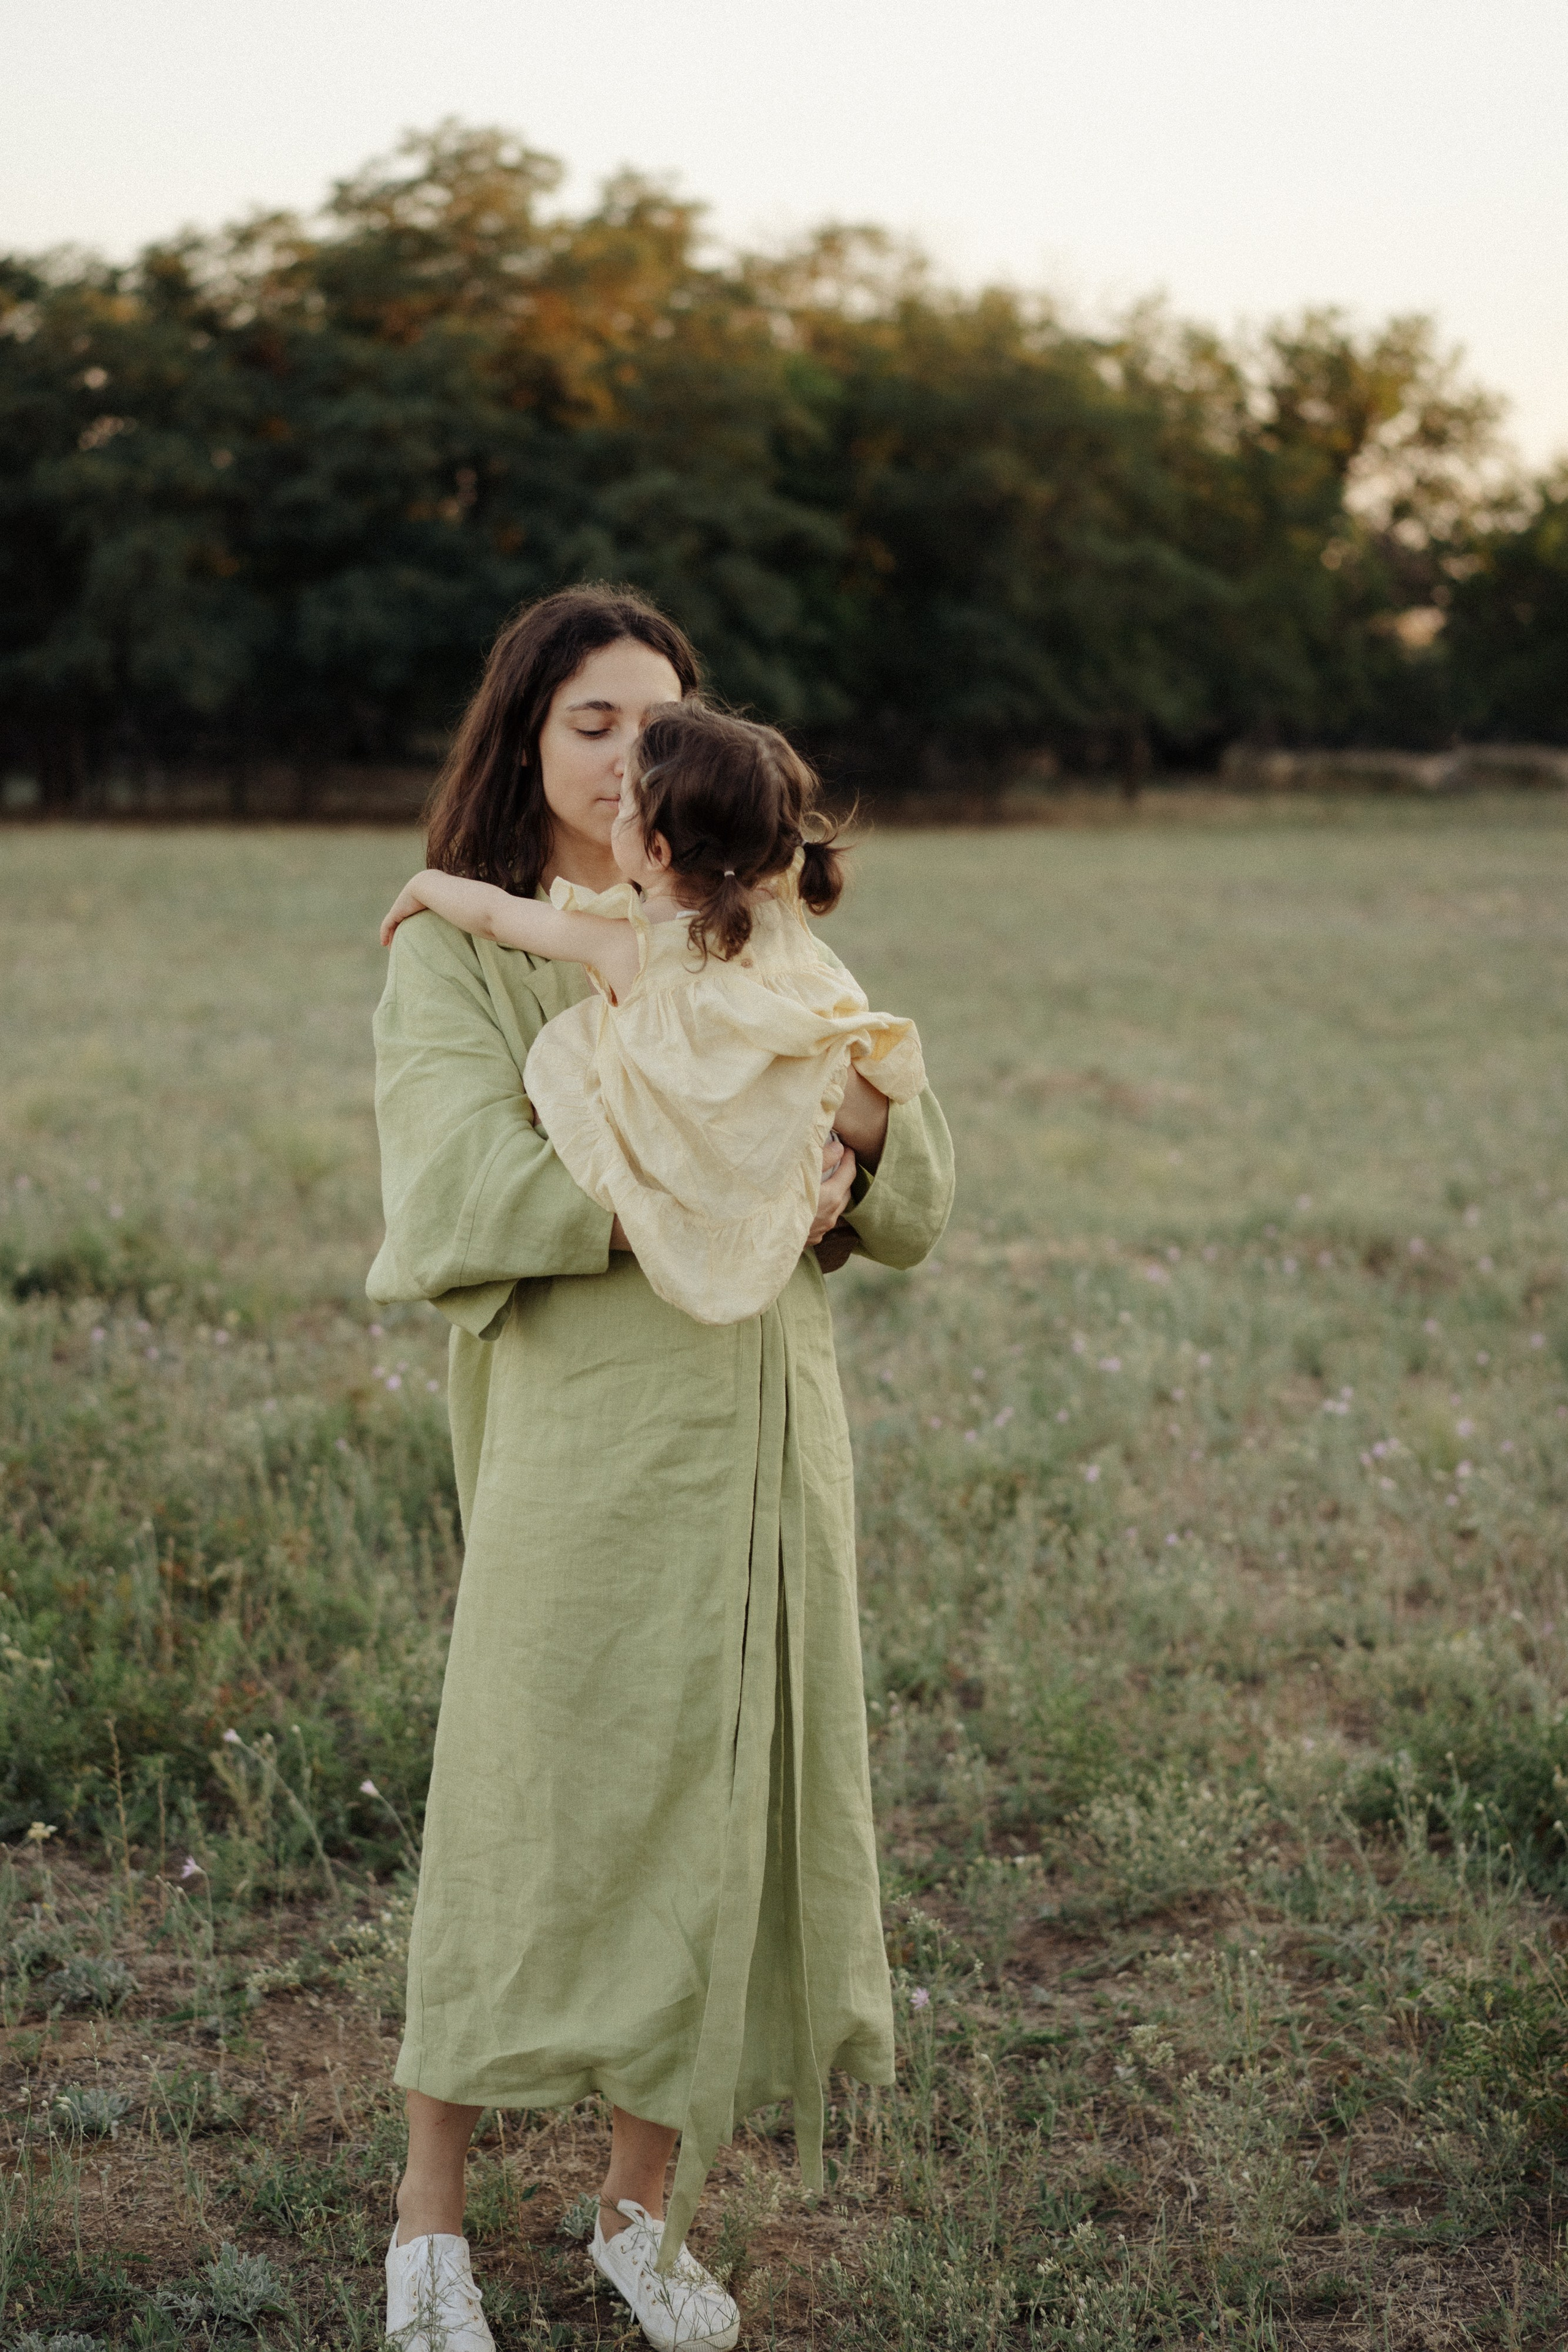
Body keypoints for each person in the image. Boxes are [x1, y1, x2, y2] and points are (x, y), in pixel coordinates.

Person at [371, 584, 954, 2352]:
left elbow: (897, 1168)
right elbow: (463, 1189)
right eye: (589, 722)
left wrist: (839, 1125)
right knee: (527, 1798)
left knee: (712, 1806)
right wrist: (727, 1181)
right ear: (527, 745)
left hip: (763, 1435)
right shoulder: (465, 951)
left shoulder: (751, 926)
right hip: (578, 1434)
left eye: (655, 718)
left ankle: (637, 2210)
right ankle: (428, 2230)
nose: (626, 754)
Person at [377, 699, 927, 1328]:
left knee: (574, 1069)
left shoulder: (628, 944)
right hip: (786, 1148)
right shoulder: (777, 929)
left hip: (693, 1169)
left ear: (657, 850)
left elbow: (497, 915)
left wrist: (423, 886)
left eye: (632, 807)